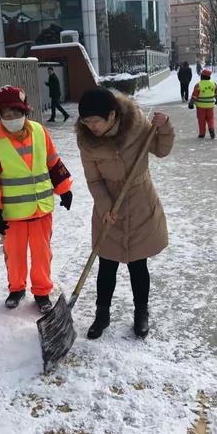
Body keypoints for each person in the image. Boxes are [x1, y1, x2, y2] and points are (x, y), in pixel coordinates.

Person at [76, 87, 175, 340]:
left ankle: (141, 313)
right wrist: (104, 206)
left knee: (137, 264)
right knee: (106, 264)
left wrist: (164, 127)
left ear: (112, 115)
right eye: (86, 122)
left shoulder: (137, 124)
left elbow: (162, 150)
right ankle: (102, 314)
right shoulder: (87, 140)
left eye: (95, 121)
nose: (91, 127)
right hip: (108, 205)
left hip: (140, 202)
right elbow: (94, 180)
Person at [0, 85, 73, 313]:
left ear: (25, 112)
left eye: (16, 113)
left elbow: (53, 162)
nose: (12, 118)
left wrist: (64, 188)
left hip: (42, 210)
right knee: (15, 256)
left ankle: (41, 292)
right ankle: (16, 288)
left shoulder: (40, 132)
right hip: (12, 214)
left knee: (42, 254)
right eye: (6, 114)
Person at [188, 69, 217, 139]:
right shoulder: (213, 84)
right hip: (210, 106)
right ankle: (211, 128)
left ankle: (202, 134)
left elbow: (194, 96)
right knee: (210, 118)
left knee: (201, 120)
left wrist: (191, 104)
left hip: (200, 106)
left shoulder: (198, 85)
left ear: (202, 76)